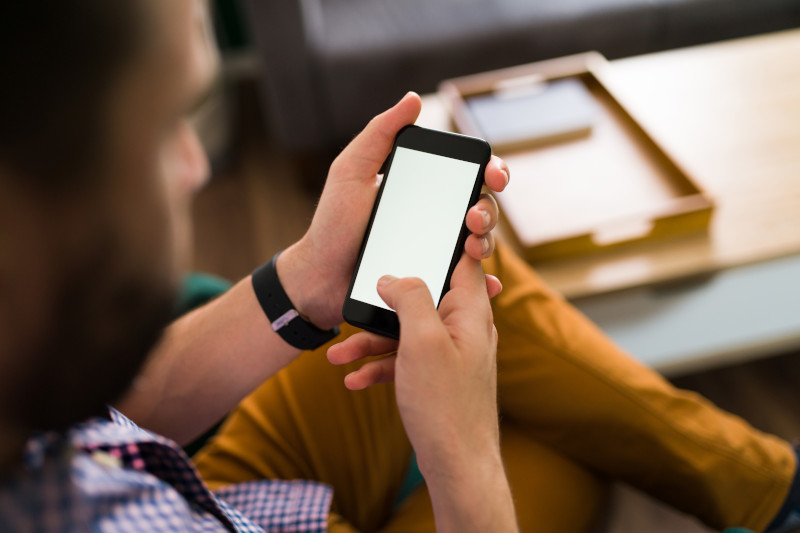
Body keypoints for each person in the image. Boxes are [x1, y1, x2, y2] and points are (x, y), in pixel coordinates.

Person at [0, 1, 798, 532]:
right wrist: (464, 460)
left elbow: (116, 411)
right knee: (561, 450)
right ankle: (774, 492)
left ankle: (769, 488)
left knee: (447, 289)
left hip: (215, 481)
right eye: (165, 120)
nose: (196, 166)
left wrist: (306, 280)